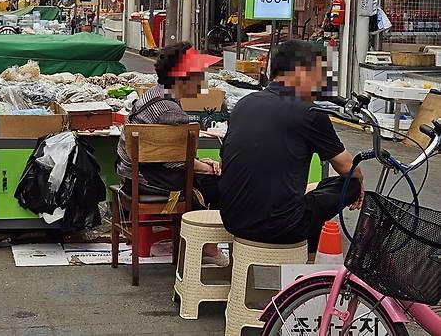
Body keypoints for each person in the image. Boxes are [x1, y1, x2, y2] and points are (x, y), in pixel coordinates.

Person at [218, 40, 363, 258]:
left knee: (313, 195)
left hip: (232, 218)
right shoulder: (311, 112)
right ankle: (309, 267)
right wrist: (359, 183)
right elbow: (347, 167)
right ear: (299, 71)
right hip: (280, 227)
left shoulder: (244, 103)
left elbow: (226, 162)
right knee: (349, 185)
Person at [117, 42, 227, 265]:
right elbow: (177, 161)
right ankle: (208, 246)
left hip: (131, 174)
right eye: (198, 75)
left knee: (209, 176)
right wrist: (207, 166)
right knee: (220, 182)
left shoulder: (154, 93)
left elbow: (173, 155)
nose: (202, 81)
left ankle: (205, 242)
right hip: (148, 179)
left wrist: (198, 162)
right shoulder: (172, 112)